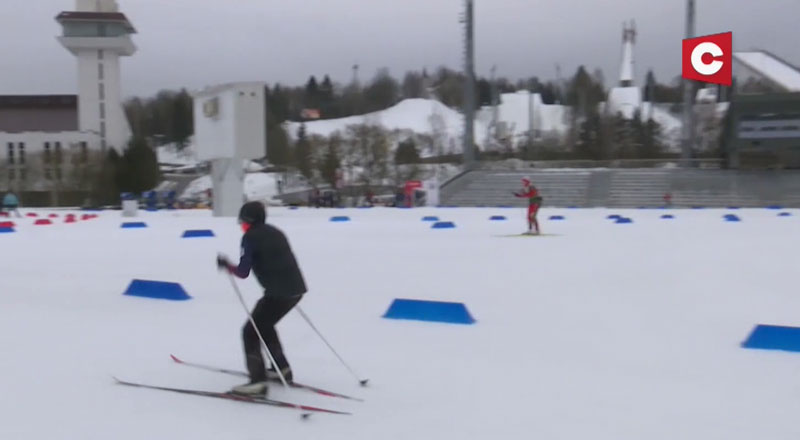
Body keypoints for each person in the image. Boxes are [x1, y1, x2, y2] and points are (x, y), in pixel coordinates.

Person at [217, 201, 308, 396]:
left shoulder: (250, 238)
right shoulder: (276, 232)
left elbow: (243, 272)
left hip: (278, 294)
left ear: (248, 221)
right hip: (296, 291)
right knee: (264, 325)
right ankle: (281, 368)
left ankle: (257, 382)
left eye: (242, 223)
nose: (242, 227)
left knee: (250, 331)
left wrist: (227, 265)